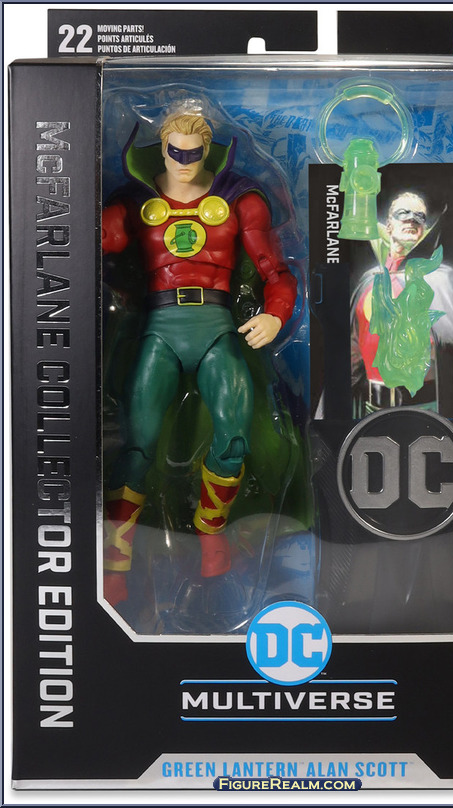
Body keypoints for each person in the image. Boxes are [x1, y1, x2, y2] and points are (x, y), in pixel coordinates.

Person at [101, 109, 297, 607]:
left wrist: (275, 316)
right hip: (159, 327)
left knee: (233, 437)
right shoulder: (134, 201)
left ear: (208, 151)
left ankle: (212, 534)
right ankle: (115, 567)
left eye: (194, 153)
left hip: (216, 325)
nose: (185, 161)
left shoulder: (238, 200)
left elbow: (277, 272)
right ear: (161, 148)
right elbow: (89, 245)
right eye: (175, 151)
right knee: (137, 448)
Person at [351, 191, 453, 414]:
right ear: (388, 226)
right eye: (403, 213)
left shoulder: (440, 279)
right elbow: (353, 349)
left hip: (426, 408)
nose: (411, 219)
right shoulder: (369, 280)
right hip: (370, 408)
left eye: (419, 216)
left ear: (424, 229)